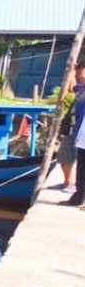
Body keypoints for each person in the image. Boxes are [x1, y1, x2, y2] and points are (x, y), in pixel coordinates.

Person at [60, 66, 85, 206]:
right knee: (82, 168)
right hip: (81, 134)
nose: (82, 75)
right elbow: (72, 85)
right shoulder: (81, 90)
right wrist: (71, 70)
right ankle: (78, 197)